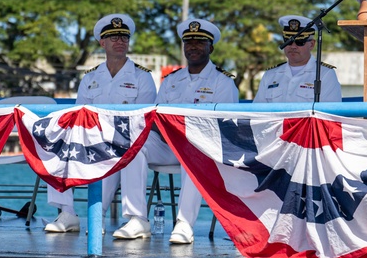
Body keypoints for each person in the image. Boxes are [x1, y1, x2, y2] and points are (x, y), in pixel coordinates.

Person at [113, 18, 239, 244]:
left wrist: (189, 136)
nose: (193, 47)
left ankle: (183, 224)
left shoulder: (223, 83)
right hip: (169, 144)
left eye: (200, 42)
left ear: (211, 47)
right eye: (188, 42)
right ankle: (137, 218)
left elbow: (225, 126)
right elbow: (158, 117)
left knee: (194, 150)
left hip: (203, 148)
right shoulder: (171, 80)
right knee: (133, 145)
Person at [44, 13, 157, 233]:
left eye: (124, 37)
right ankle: (67, 213)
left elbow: (144, 119)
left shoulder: (142, 77)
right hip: (93, 136)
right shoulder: (90, 77)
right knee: (56, 147)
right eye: (114, 37)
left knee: (124, 151)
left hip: (126, 137)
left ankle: (106, 217)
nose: (120, 41)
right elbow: (79, 114)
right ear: (102, 43)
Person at [253, 15, 342, 103]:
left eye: (300, 42)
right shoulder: (270, 75)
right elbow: (257, 112)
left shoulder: (324, 74)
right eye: (289, 41)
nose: (293, 46)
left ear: (311, 44)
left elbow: (331, 115)